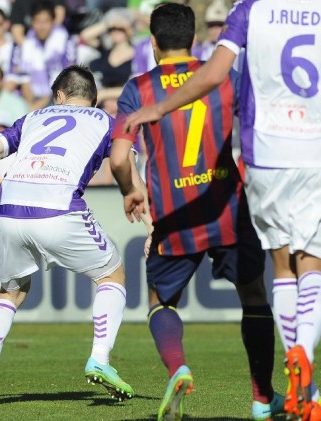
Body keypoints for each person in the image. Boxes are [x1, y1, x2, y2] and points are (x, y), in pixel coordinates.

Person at [123, 1, 321, 419]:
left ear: (154, 43)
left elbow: (122, 156)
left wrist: (132, 187)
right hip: (228, 205)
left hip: (174, 213)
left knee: (161, 300)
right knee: (256, 294)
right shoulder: (226, 78)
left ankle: (178, 368)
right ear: (194, 39)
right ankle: (263, 398)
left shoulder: (138, 88)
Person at [0, 64, 144, 408]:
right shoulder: (104, 122)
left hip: (8, 209)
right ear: (93, 101)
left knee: (11, 292)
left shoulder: (34, 117)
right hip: (59, 207)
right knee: (111, 274)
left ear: (59, 96)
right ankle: (100, 356)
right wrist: (150, 222)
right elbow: (122, 161)